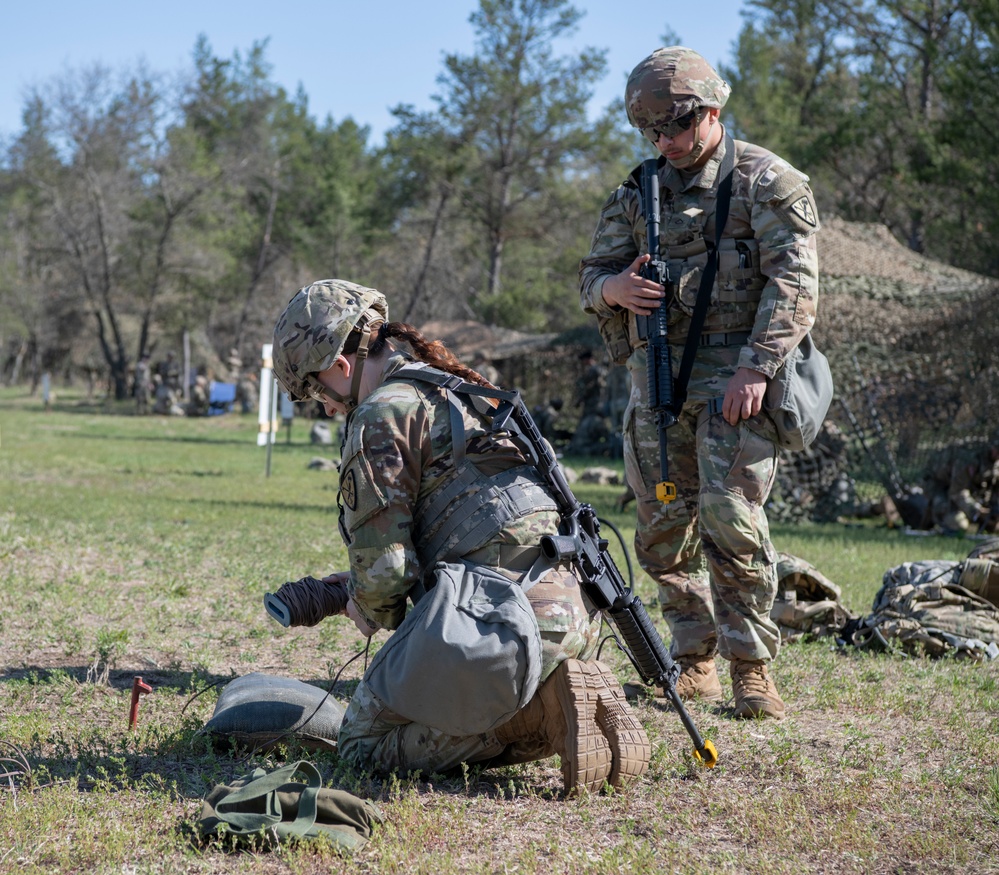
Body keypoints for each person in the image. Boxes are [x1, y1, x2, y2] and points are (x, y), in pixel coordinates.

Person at [270, 278, 649, 795]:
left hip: (505, 629)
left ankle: (540, 710)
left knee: (362, 744)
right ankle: (554, 682)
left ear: (339, 366)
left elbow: (385, 577)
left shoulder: (382, 414)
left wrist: (366, 607)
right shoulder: (460, 388)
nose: (326, 407)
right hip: (572, 613)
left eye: (317, 391)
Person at [578, 47, 822, 720]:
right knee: (662, 527)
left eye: (672, 129)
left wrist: (756, 367)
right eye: (649, 132)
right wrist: (614, 288)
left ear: (708, 113)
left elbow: (794, 285)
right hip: (656, 385)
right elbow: (588, 278)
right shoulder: (638, 191)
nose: (663, 143)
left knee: (731, 522)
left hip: (735, 383)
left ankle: (751, 669)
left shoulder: (764, 182)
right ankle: (693, 662)